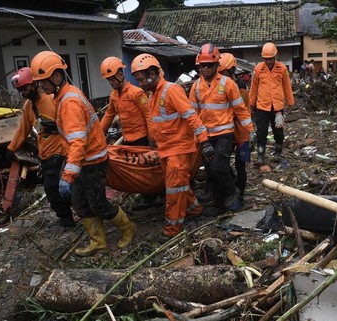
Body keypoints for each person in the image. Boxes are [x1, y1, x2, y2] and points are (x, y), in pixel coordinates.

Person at [30, 51, 135, 256]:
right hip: (82, 161)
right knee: (80, 203)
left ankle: (128, 228)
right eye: (39, 81)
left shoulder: (69, 102)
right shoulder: (63, 97)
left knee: (98, 203)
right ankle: (98, 242)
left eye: (44, 81)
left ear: (57, 76)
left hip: (92, 161)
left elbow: (78, 141)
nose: (41, 86)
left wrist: (67, 175)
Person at [130, 53, 213, 237]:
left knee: (173, 191)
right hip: (166, 149)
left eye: (142, 79)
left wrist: (204, 141)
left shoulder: (171, 91)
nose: (140, 84)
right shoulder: (152, 96)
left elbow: (191, 116)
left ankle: (172, 229)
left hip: (179, 150)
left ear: (152, 73)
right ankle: (194, 209)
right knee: (178, 185)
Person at [188, 44, 253, 214]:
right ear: (199, 66)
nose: (206, 68)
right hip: (205, 135)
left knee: (218, 166)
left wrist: (250, 131)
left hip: (224, 133)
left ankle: (233, 192)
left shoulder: (228, 84)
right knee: (210, 171)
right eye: (203, 65)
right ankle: (219, 204)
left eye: (209, 65)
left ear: (217, 65)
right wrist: (201, 139)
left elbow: (240, 109)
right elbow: (193, 115)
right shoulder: (195, 87)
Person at [8, 67, 75, 228]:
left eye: (25, 88)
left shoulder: (52, 99)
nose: (23, 92)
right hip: (44, 153)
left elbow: (70, 125)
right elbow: (22, 130)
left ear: (34, 83)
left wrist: (57, 127)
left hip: (60, 151)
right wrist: (11, 149)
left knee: (52, 188)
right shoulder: (28, 107)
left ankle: (67, 219)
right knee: (55, 188)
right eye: (20, 90)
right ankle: (71, 214)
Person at [99, 56, 157, 210]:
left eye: (112, 79)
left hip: (142, 139)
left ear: (120, 74)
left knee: (146, 170)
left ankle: (151, 196)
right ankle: (144, 193)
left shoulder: (136, 93)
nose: (111, 82)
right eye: (108, 80)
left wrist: (151, 138)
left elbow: (148, 116)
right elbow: (108, 116)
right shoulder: (114, 95)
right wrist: (97, 135)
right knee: (135, 171)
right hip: (128, 140)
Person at [249, 42, 295, 164]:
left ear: (275, 57)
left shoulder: (282, 69)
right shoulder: (258, 69)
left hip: (277, 107)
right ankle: (261, 155)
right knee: (261, 132)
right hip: (262, 107)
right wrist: (250, 104)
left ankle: (278, 152)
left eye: (270, 59)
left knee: (278, 132)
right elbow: (254, 87)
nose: (268, 61)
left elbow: (287, 86)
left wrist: (290, 102)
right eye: (266, 59)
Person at [217, 52, 255, 200]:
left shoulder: (239, 87)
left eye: (223, 72)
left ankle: (241, 193)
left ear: (231, 70)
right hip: (227, 132)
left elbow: (238, 110)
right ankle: (233, 188)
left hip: (240, 133)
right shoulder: (223, 85)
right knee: (222, 164)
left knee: (240, 165)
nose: (220, 75)